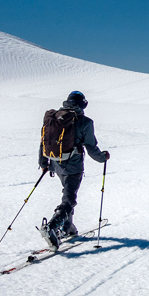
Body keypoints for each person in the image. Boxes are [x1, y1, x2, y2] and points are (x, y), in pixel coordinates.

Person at [38, 91, 109, 249]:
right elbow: (91, 147)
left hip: (55, 164)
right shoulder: (85, 122)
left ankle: (68, 228)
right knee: (69, 200)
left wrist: (43, 163)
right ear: (83, 104)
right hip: (73, 166)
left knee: (67, 194)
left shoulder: (54, 118)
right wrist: (103, 158)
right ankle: (53, 226)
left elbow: (44, 141)